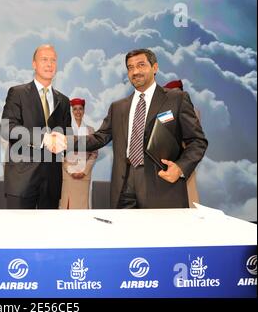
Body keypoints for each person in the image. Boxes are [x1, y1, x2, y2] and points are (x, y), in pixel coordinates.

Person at [55, 48, 208, 208]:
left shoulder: (176, 99)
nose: (135, 71)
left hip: (162, 184)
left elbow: (197, 141)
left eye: (141, 65)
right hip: (124, 184)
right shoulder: (118, 107)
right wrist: (66, 141)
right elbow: (99, 137)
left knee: (160, 233)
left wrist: (180, 167)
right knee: (124, 233)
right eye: (130, 67)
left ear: (154, 68)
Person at [0, 44, 72, 209]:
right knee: (20, 233)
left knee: (49, 234)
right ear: (34, 64)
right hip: (22, 181)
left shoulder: (64, 101)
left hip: (52, 183)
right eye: (44, 59)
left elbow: (67, 135)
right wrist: (44, 138)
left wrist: (65, 143)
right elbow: (7, 128)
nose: (49, 64)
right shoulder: (17, 93)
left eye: (53, 60)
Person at [60, 98, 98, 209]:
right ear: (72, 111)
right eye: (75, 109)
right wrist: (71, 171)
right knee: (67, 208)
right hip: (68, 176)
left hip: (84, 176)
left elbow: (94, 154)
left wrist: (84, 171)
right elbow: (61, 154)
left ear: (84, 111)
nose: (78, 112)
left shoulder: (90, 130)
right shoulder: (66, 130)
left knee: (81, 208)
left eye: (80, 109)